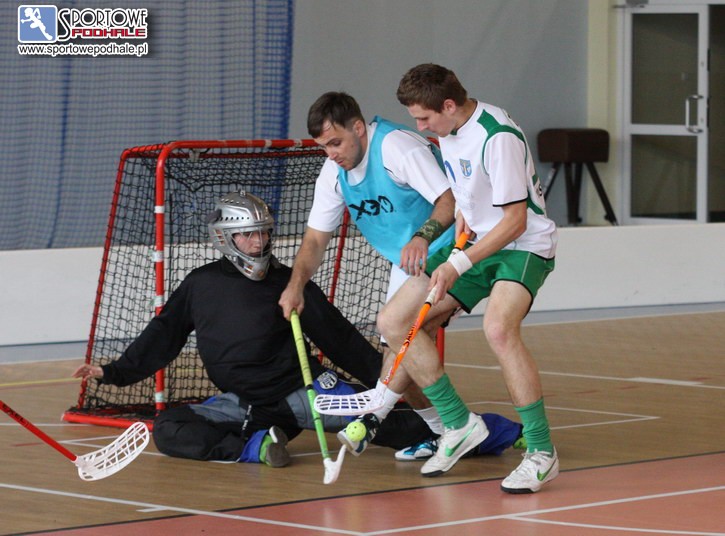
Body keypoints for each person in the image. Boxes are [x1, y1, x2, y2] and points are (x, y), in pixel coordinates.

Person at [73, 190, 524, 468]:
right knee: (169, 428)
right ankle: (257, 448)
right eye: (248, 235)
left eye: (263, 234)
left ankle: (496, 432)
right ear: (225, 239)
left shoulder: (290, 283)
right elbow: (164, 334)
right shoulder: (200, 284)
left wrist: (386, 388)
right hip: (244, 405)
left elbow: (340, 340)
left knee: (396, 427)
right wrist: (112, 372)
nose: (259, 243)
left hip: (306, 393)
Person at [375, 63, 559, 493]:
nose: (420, 127)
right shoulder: (449, 131)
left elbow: (514, 221)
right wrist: (460, 222)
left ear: (448, 105)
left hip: (522, 246)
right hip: (477, 242)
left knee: (498, 329)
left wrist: (457, 265)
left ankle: (541, 452)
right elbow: (468, 191)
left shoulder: (497, 137)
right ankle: (459, 424)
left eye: (424, 118)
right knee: (394, 322)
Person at [278, 91, 461, 459]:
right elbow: (314, 240)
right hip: (408, 262)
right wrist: (296, 285)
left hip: (449, 247)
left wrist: (422, 237)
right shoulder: (334, 172)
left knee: (405, 335)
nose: (331, 154)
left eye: (335, 142)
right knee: (400, 348)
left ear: (359, 128)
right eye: (323, 147)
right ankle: (445, 432)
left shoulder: (397, 148)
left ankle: (381, 418)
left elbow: (451, 199)